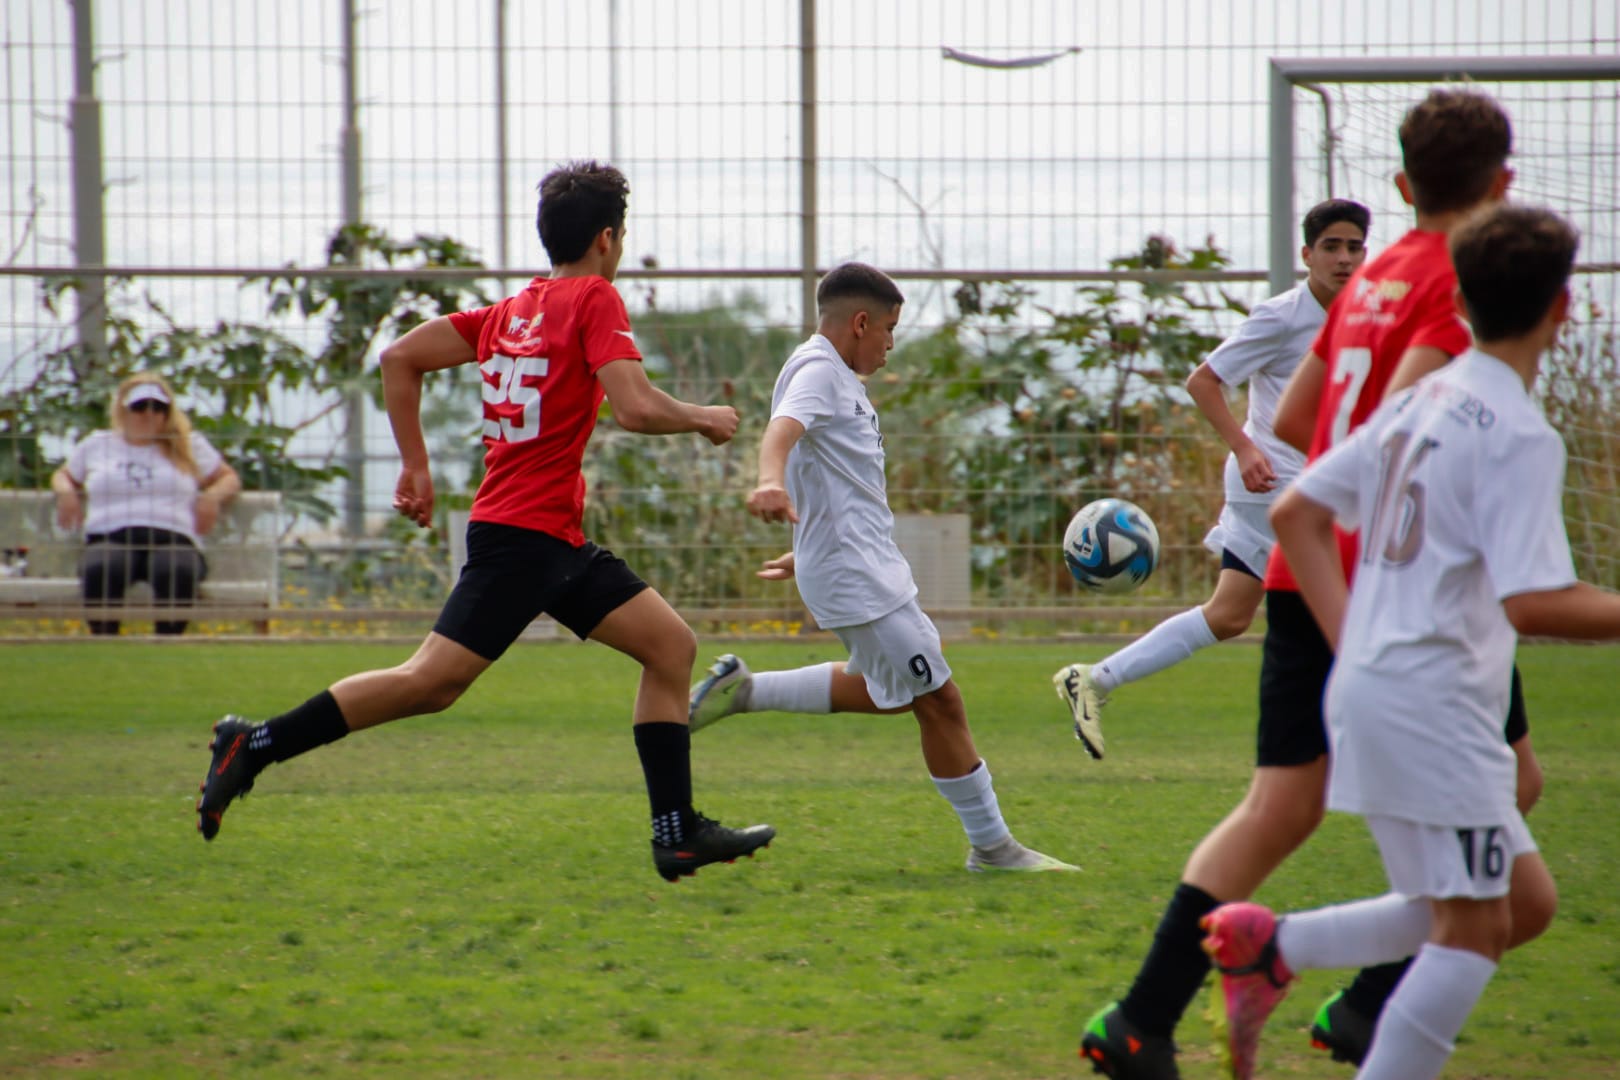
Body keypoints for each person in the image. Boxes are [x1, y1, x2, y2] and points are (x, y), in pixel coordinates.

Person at [1077, 89, 1557, 1080]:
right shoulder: (1452, 287)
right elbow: (1409, 432)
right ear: (1502, 186)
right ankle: (1366, 1006)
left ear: (1400, 184)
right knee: (1509, 821)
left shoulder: (1369, 280)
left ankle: (1144, 1015)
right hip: (1400, 583)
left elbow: (1299, 424)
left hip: (1313, 565)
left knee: (1281, 808)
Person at [195, 160, 775, 883]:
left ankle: (677, 832)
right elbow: (635, 407)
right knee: (429, 682)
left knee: (669, 647)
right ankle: (254, 745)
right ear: (606, 239)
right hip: (522, 541)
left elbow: (400, 357)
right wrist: (702, 419)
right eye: (621, 238)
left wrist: (416, 465)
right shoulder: (593, 298)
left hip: (549, 538)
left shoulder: (511, 312)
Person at [1202, 203, 1600, 1080]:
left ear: (1462, 301)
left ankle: (1276, 946)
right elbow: (1534, 604)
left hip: (1387, 691)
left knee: (1522, 901)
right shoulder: (1520, 434)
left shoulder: (1424, 398)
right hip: (1434, 705)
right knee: (1473, 930)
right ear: (1561, 309)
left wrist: (1360, 642)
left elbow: (1298, 510)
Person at [688, 262, 1076, 873]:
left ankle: (745, 691)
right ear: (860, 323)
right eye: (889, 329)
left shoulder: (826, 371)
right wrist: (766, 483)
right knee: (940, 701)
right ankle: (994, 848)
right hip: (859, 578)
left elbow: (829, 472)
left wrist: (811, 543)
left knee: (889, 692)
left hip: (855, 566)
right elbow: (781, 434)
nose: (892, 344)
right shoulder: (820, 370)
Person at [1051, 198, 1370, 758]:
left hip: (1295, 487)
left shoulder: (1364, 313)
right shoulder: (1282, 315)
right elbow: (1204, 381)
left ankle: (1094, 679)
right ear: (1307, 254)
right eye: (1332, 247)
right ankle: (1353, 739)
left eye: (1354, 247)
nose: (1344, 259)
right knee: (1353, 603)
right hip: (1279, 486)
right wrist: (1245, 447)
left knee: (1228, 616)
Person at [51, 373, 241, 635]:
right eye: (139, 407)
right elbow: (64, 474)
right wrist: (65, 491)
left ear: (167, 413)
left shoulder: (189, 445)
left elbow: (228, 477)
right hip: (112, 535)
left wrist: (211, 497)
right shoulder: (98, 444)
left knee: (175, 570)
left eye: (158, 408)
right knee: (103, 568)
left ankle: (167, 644)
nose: (148, 414)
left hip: (172, 537)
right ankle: (105, 644)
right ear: (123, 410)